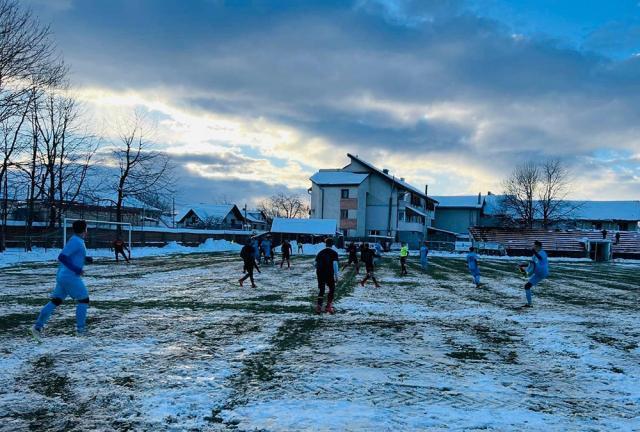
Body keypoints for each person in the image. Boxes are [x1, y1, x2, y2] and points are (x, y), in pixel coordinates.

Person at [32, 220, 94, 339]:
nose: (87, 230)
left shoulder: (77, 240)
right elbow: (62, 257)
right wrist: (76, 269)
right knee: (84, 300)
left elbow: (71, 256)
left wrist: (85, 258)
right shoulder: (76, 241)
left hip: (63, 276)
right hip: (69, 276)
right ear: (84, 229)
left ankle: (37, 328)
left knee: (56, 301)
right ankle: (81, 331)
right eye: (86, 228)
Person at [518, 240, 549, 308]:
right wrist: (522, 265)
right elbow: (531, 264)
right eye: (534, 246)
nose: (534, 247)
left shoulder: (542, 253)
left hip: (542, 272)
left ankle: (525, 272)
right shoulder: (534, 255)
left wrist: (534, 252)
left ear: (539, 247)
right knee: (527, 286)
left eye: (535, 246)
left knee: (527, 282)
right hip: (537, 273)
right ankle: (529, 304)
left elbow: (540, 258)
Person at [315, 238, 339, 314]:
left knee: (321, 289)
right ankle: (328, 306)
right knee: (331, 289)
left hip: (320, 273)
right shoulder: (334, 253)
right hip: (329, 273)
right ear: (332, 245)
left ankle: (319, 307)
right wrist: (336, 276)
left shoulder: (320, 253)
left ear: (325, 244)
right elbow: (335, 264)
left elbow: (315, 264)